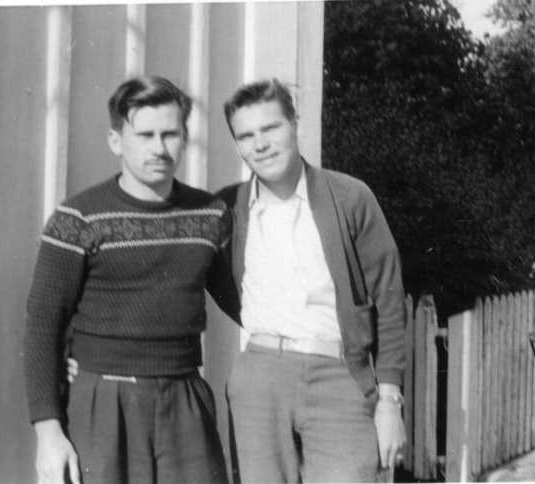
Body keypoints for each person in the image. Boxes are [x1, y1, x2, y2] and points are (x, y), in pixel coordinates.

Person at [24, 76, 235, 484]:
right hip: (104, 403)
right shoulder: (78, 218)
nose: (159, 148)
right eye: (145, 135)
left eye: (170, 134)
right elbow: (43, 325)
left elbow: (244, 300)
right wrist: (48, 432)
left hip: (184, 399)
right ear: (116, 140)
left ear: (185, 138)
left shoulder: (210, 215)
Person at [217, 78, 407, 483]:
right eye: (246, 136)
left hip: (340, 375)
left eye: (271, 128)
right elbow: (217, 283)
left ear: (294, 123)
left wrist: (390, 400)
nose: (261, 144)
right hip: (260, 378)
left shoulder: (350, 197)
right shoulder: (227, 208)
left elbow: (389, 301)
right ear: (237, 145)